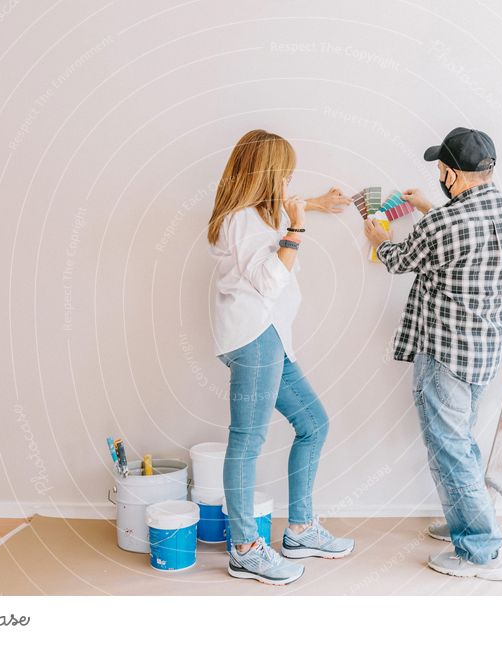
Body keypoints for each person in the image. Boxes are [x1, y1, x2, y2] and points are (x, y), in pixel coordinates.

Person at [363, 127, 502, 581]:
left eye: (442, 170)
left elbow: (399, 259)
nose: (439, 175)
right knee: (460, 440)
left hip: (444, 354)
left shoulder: (443, 224)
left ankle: (483, 553)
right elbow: (470, 235)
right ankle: (466, 521)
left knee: (449, 447)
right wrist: (426, 208)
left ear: (452, 176)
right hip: (485, 352)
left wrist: (377, 235)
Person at [208, 129, 355, 585]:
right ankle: (246, 548)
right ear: (268, 173)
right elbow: (270, 279)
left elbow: (271, 213)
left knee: (313, 423)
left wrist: (310, 203)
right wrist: (297, 227)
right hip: (254, 338)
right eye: (286, 172)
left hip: (269, 336)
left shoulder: (251, 213)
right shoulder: (243, 220)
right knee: (247, 441)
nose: (291, 179)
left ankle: (299, 530)